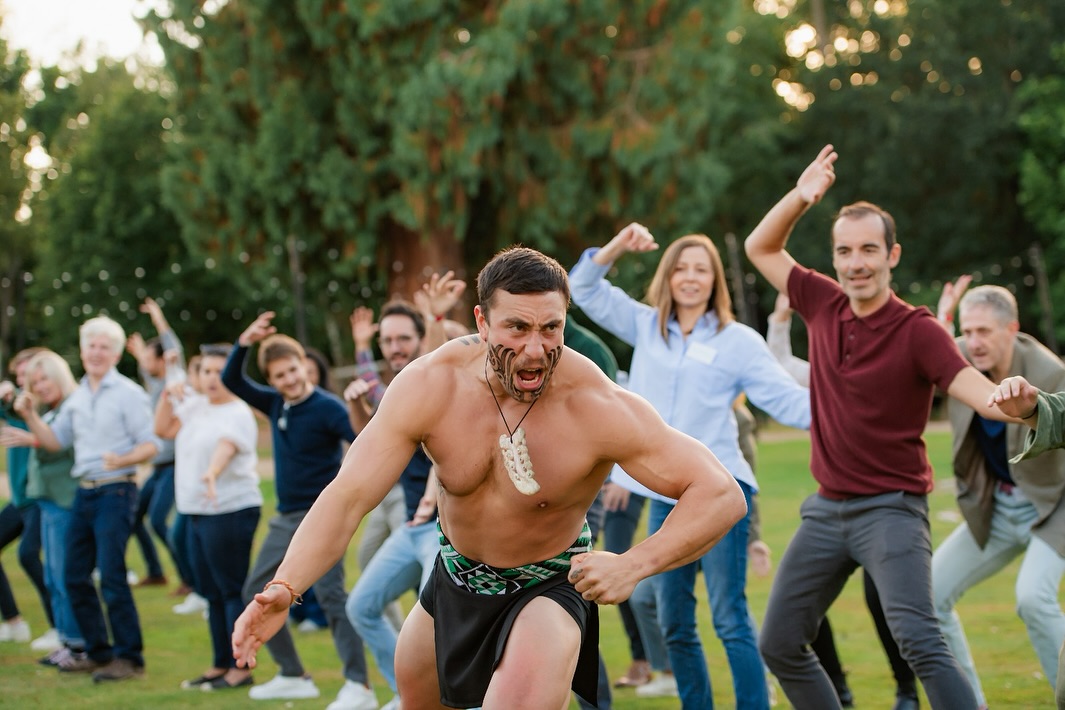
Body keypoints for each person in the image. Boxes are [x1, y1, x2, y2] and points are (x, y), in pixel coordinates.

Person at [231, 246, 747, 710]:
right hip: (453, 579)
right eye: (516, 328)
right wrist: (285, 584)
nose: (535, 349)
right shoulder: (432, 385)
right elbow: (348, 495)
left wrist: (635, 563)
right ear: (481, 320)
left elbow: (719, 493)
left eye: (551, 328)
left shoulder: (594, 404)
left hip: (545, 585)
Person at [744, 144, 1020, 710]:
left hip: (891, 510)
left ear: (892, 254)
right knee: (778, 642)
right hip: (825, 510)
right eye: (845, 251)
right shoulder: (821, 302)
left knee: (919, 641)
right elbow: (760, 246)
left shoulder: (919, 331)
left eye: (869, 249)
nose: (856, 263)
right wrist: (800, 197)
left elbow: (981, 394)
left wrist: (1014, 397)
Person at [570, 226, 810, 709]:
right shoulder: (644, 326)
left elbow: (784, 399)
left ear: (715, 280)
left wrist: (846, 412)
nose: (690, 277)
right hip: (667, 496)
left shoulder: (737, 340)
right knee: (673, 619)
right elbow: (583, 289)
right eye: (681, 267)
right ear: (668, 276)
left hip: (723, 492)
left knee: (728, 616)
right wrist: (617, 246)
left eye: (701, 269)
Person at [766, 292, 915, 709]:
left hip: (888, 505)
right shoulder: (829, 373)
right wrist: (780, 318)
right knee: (802, 608)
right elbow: (782, 364)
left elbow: (942, 360)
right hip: (833, 507)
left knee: (883, 602)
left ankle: (906, 689)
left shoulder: (896, 365)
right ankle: (838, 690)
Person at [221, 313, 376, 709]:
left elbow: (362, 443)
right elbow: (232, 380)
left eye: (292, 371)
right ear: (271, 381)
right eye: (279, 376)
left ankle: (358, 685)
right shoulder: (275, 404)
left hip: (319, 517)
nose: (288, 380)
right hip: (285, 517)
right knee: (255, 591)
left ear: (303, 366)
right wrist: (245, 342)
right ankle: (293, 674)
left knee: (330, 595)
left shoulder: (326, 407)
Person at [930, 284, 1065, 708]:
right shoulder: (961, 360)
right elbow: (923, 356)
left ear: (1013, 328)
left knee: (1033, 598)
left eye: (985, 331)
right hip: (997, 507)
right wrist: (942, 322)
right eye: (967, 332)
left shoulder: (1050, 372)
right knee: (929, 595)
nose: (974, 342)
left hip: (1054, 505)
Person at [18, 316, 158, 682]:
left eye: (104, 347)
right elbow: (54, 441)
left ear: (114, 354)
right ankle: (97, 651)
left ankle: (130, 659)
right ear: (81, 350)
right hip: (85, 491)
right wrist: (30, 416)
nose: (96, 353)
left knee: (111, 574)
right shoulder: (77, 398)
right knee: (73, 574)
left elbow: (151, 444)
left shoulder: (129, 393)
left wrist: (125, 459)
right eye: (91, 345)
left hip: (117, 488)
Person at [344, 300, 446, 710]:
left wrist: (428, 495)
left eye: (403, 337)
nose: (395, 346)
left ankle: (450, 700)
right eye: (387, 340)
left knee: (438, 630)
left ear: (422, 339)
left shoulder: (436, 382)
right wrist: (360, 355)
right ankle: (410, 696)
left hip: (446, 531)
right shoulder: (396, 393)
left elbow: (444, 453)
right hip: (411, 527)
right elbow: (370, 436)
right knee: (362, 606)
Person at [155, 343, 262, 691]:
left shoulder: (238, 412)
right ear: (198, 375)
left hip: (230, 509)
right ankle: (219, 664)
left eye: (220, 371)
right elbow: (162, 429)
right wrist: (166, 396)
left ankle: (241, 668)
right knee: (210, 592)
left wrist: (212, 472)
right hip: (196, 511)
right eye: (206, 371)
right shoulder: (195, 406)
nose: (213, 378)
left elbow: (226, 447)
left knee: (231, 590)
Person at [0, 351, 83, 665]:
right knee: (52, 573)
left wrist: (32, 438)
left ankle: (69, 637)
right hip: (28, 500)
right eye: (23, 378)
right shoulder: (29, 408)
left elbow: (60, 443)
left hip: (50, 500)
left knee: (53, 569)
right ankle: (46, 632)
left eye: (33, 377)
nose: (27, 384)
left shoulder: (52, 409)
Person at [988, 375, 1065, 710]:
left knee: (1033, 596)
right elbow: (1060, 412)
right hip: (999, 510)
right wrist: (1033, 408)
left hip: (1048, 512)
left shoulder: (1044, 362)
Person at [125, 297, 188, 589]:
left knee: (159, 520)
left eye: (150, 359)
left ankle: (189, 578)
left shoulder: (176, 379)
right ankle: (156, 571)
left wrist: (158, 318)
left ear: (163, 361)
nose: (145, 365)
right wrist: (141, 354)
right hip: (158, 466)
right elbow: (148, 369)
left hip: (176, 464)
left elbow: (172, 346)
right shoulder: (153, 384)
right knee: (136, 517)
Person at [0, 347, 52, 648]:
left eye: (26, 374)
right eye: (17, 375)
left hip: (38, 499)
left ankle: (60, 628)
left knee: (29, 556)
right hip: (19, 501)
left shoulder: (38, 408)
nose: (21, 381)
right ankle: (14, 622)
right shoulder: (15, 405)